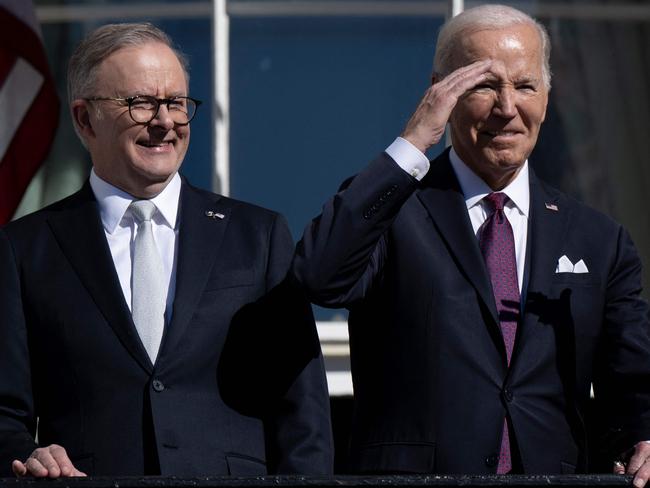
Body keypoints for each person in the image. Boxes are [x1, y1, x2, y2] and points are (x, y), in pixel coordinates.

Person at [292, 3, 650, 484]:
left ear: (547, 97)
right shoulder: (395, 209)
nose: (507, 108)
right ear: (443, 91)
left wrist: (644, 434)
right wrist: (413, 143)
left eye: (525, 86)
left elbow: (631, 372)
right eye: (484, 85)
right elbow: (320, 275)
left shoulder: (599, 239)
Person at [0, 23, 332, 478]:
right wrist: (28, 456)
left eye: (176, 102)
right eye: (140, 103)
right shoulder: (24, 249)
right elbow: (3, 418)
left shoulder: (258, 235)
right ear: (83, 118)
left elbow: (302, 413)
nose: (165, 121)